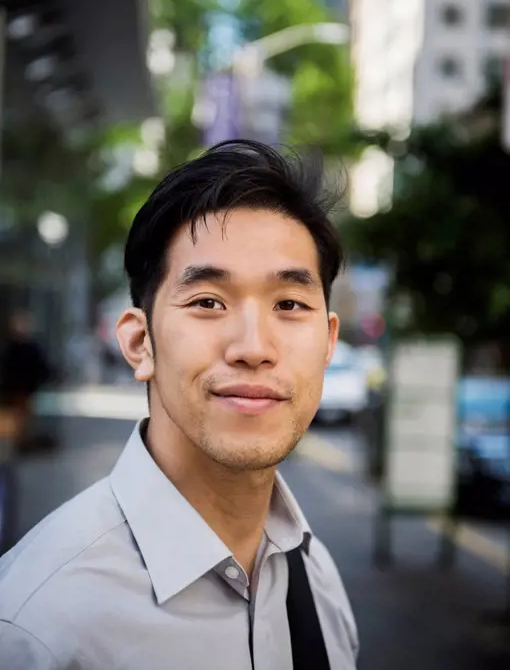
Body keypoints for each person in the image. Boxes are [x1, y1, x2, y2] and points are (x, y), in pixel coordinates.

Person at [0, 140, 358, 669]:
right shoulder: (39, 624)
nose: (254, 348)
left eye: (289, 303)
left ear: (328, 341)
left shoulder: (317, 577)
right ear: (140, 342)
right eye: (208, 302)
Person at [0, 311, 52, 450]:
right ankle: (18, 442)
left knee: (24, 417)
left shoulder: (30, 347)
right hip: (14, 390)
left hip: (26, 389)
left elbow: (40, 367)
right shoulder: (10, 348)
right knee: (17, 418)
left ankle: (22, 442)